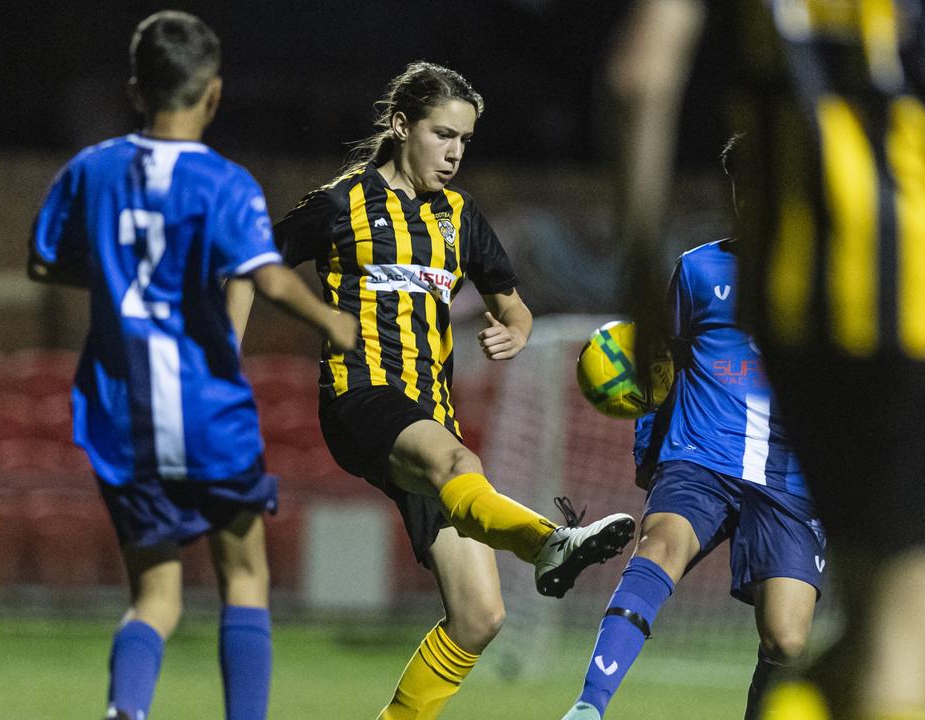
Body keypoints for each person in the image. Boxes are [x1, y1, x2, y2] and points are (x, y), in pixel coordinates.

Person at [605, 1, 925, 718]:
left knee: (867, 635)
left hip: (787, 316)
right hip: (916, 304)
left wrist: (639, 275)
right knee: (899, 661)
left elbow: (639, 74)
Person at [247, 61, 635, 720]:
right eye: (442, 134)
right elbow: (254, 263)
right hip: (359, 397)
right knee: (462, 463)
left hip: (431, 417)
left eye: (464, 140)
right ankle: (548, 542)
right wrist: (318, 318)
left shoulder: (460, 218)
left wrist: (513, 330)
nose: (454, 153)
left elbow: (513, 307)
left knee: (480, 616)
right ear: (402, 126)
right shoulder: (340, 204)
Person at [28, 11, 358, 720]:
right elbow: (267, 278)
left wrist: (127, 286)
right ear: (212, 95)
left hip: (125, 418)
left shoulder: (91, 170)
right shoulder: (225, 182)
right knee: (244, 578)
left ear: (134, 90)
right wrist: (333, 320)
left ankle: (127, 710)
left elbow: (43, 260)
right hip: (208, 414)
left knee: (154, 595)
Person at [561, 135, 825, 720]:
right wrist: (648, 453)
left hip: (789, 474)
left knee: (786, 639)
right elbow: (658, 367)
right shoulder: (698, 270)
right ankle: (588, 707)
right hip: (700, 456)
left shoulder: (824, 275)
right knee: (662, 543)